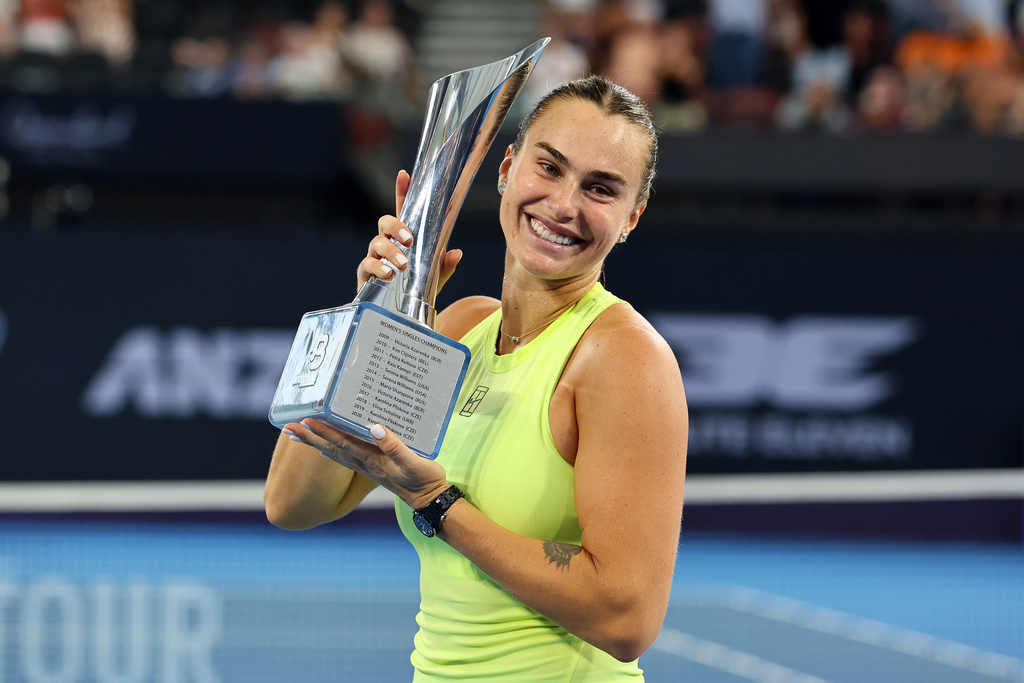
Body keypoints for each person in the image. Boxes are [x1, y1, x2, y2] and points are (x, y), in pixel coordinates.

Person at [264, 75, 688, 681]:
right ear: (507, 168)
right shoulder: (460, 326)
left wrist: (437, 503)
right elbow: (292, 502)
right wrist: (377, 313)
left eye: (600, 188)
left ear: (631, 218)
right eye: (550, 168)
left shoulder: (623, 359)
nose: (565, 204)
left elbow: (626, 618)